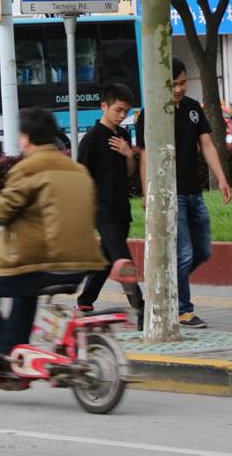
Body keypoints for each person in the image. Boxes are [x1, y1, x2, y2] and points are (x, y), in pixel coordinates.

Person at [0, 108, 106, 373]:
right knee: (25, 291)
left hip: (45, 263)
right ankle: (13, 351)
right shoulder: (78, 170)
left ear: (24, 138)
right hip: (82, 265)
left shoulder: (28, 169)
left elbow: (2, 211)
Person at [136, 58, 231, 329]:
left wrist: (222, 178)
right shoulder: (151, 113)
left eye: (182, 83)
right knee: (185, 252)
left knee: (202, 251)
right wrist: (147, 193)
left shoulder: (192, 108)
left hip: (194, 192)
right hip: (169, 194)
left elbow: (207, 144)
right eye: (173, 84)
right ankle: (182, 310)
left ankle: (164, 287)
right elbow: (145, 157)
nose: (178, 89)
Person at [75, 83, 146, 329]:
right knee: (122, 260)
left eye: (125, 111)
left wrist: (129, 155)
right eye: (117, 110)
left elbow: (129, 174)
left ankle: (84, 302)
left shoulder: (123, 136)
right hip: (101, 210)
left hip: (121, 208)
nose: (121, 115)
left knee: (107, 258)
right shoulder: (91, 140)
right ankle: (142, 308)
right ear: (103, 106)